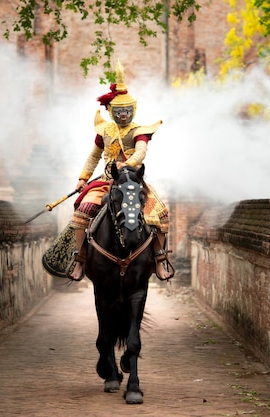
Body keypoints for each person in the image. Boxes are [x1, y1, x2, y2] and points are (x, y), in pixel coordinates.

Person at [67, 60, 174, 281]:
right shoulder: (104, 130)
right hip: (106, 182)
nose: (123, 115)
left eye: (127, 111)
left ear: (132, 110)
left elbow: (141, 152)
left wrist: (127, 164)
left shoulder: (139, 131)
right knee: (82, 211)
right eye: (119, 111)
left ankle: (160, 261)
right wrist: (82, 178)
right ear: (111, 110)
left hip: (133, 183)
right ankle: (80, 260)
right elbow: (94, 156)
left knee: (160, 213)